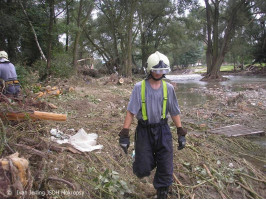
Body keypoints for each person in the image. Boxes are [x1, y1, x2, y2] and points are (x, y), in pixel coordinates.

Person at [118, 51, 187, 199]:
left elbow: (174, 112)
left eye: (162, 70)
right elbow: (131, 112)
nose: (159, 73)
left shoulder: (168, 88)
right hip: (144, 131)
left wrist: (181, 132)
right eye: (156, 70)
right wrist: (124, 134)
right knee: (142, 169)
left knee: (166, 165)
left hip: (163, 130)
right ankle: (145, 159)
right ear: (150, 69)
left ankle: (162, 192)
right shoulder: (139, 87)